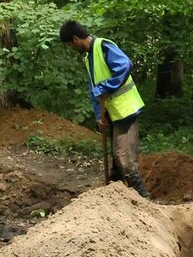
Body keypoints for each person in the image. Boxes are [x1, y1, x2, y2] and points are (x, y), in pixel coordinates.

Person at [59, 20, 150, 199]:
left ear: (75, 39)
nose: (71, 48)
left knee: (124, 158)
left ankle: (144, 199)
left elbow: (125, 65)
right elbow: (95, 90)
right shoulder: (88, 57)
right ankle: (113, 196)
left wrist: (106, 87)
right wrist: (99, 116)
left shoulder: (103, 47)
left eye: (70, 45)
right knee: (117, 160)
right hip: (113, 112)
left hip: (126, 109)